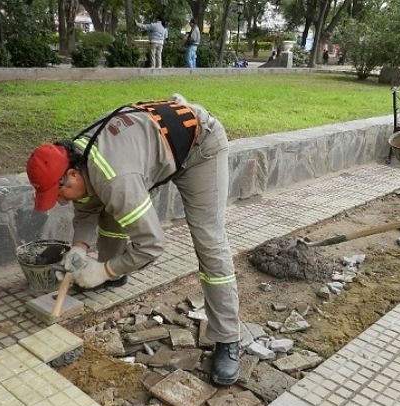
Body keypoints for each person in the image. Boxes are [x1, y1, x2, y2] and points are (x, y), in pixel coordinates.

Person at [26, 94, 241, 386]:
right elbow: (88, 206)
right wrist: (79, 249)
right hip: (156, 146)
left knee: (209, 240)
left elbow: (152, 245)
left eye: (59, 193)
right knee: (111, 208)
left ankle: (228, 338)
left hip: (200, 147)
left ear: (72, 174)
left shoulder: (115, 178)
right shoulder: (76, 155)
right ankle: (114, 275)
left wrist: (103, 270)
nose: (61, 201)